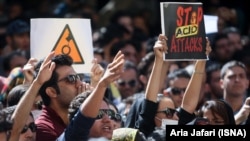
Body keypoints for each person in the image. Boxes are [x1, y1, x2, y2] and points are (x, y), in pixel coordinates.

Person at [56, 50, 125, 140]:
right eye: (98, 114)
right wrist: (102, 84)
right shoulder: (72, 137)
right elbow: (83, 121)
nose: (108, 119)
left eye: (110, 114)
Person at [34, 52, 87, 141]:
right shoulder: (44, 129)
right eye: (71, 79)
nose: (80, 83)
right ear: (52, 92)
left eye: (78, 77)